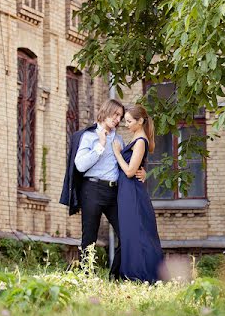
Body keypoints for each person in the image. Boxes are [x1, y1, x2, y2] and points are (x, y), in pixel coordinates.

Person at [59, 98, 144, 278]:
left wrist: (143, 173)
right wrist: (100, 145)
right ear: (105, 112)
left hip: (114, 192)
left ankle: (116, 275)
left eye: (120, 117)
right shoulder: (88, 136)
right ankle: (86, 275)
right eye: (115, 114)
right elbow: (80, 165)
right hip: (92, 190)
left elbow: (130, 163)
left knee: (127, 233)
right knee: (89, 237)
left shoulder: (119, 139)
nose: (117, 119)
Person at [112, 105, 164, 282]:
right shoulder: (136, 137)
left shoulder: (140, 140)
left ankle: (142, 275)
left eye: (129, 121)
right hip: (127, 190)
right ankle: (132, 274)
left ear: (140, 121)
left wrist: (117, 153)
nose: (126, 124)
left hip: (132, 192)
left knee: (137, 232)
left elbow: (129, 171)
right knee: (130, 232)